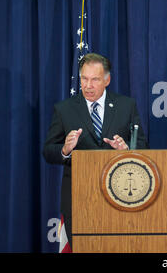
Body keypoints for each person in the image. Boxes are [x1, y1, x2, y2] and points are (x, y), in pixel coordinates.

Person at [42, 53, 148, 249]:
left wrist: (126, 150)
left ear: (107, 80)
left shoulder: (126, 106)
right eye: (84, 78)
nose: (88, 85)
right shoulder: (64, 109)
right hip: (78, 199)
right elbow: (48, 151)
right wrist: (65, 149)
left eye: (95, 79)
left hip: (120, 197)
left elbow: (143, 147)